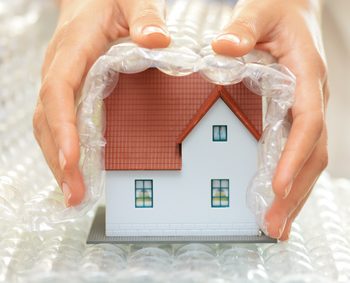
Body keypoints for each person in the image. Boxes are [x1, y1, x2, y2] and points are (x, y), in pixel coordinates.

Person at [33, 0, 329, 241]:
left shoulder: (234, 100)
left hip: (249, 46)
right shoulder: (140, 109)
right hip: (119, 38)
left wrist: (299, 4)